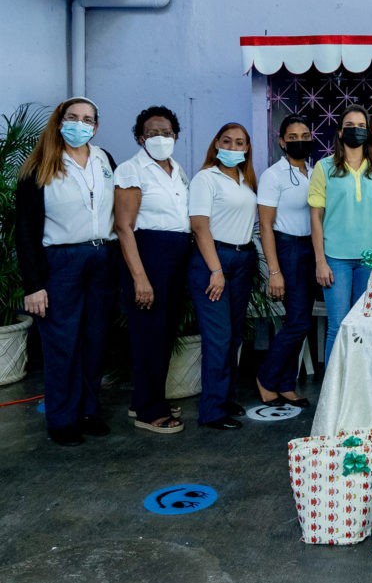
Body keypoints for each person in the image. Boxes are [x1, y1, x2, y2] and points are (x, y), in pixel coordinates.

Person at [15, 96, 117, 447]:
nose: (80, 124)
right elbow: (25, 229)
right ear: (60, 121)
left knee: (95, 339)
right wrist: (33, 285)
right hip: (60, 261)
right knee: (62, 343)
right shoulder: (39, 165)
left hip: (101, 257)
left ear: (96, 126)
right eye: (73, 117)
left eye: (87, 119)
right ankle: (62, 419)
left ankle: (88, 410)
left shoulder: (104, 159)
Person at [114, 104, 189, 435]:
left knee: (165, 331)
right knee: (149, 333)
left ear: (175, 136)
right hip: (149, 254)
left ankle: (146, 398)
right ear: (140, 138)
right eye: (153, 133)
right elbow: (124, 227)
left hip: (176, 254)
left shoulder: (177, 169)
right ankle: (149, 411)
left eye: (166, 132)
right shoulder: (132, 170)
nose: (161, 137)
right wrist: (140, 277)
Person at [309, 106, 372, 361]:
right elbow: (315, 216)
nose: (355, 130)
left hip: (371, 259)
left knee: (365, 326)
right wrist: (320, 261)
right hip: (335, 258)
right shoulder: (324, 168)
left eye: (361, 126)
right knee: (338, 326)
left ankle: (359, 383)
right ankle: (332, 385)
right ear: (339, 132)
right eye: (349, 125)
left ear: (368, 132)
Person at [187, 122, 259, 430]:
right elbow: (199, 226)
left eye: (239, 143)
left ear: (247, 148)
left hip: (242, 259)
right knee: (218, 337)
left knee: (234, 335)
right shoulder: (206, 178)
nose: (232, 147)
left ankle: (226, 398)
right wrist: (215, 270)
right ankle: (212, 411)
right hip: (214, 260)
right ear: (216, 143)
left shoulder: (245, 180)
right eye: (227, 141)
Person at [255, 114, 316, 408]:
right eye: (292, 137)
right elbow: (265, 225)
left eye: (304, 136)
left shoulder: (315, 172)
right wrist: (274, 271)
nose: (299, 141)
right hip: (287, 247)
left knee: (300, 321)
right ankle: (267, 378)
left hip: (310, 248)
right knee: (298, 321)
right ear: (281, 141)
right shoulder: (273, 175)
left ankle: (285, 383)